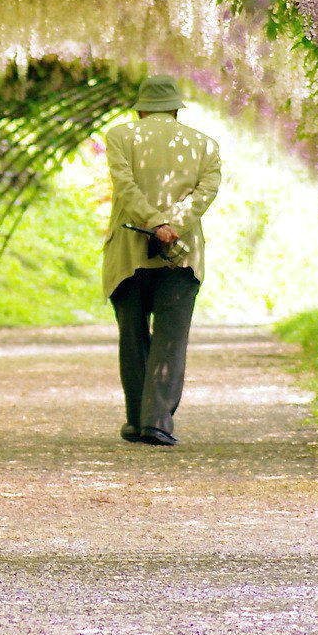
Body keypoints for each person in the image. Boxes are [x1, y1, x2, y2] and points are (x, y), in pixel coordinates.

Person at [100, 75, 222, 446]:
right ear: (175, 108)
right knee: (171, 337)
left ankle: (137, 421)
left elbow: (125, 186)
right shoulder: (205, 144)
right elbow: (206, 192)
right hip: (182, 254)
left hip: (129, 250)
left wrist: (153, 222)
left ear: (140, 108)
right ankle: (157, 421)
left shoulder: (120, 137)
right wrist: (173, 224)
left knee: (133, 335)